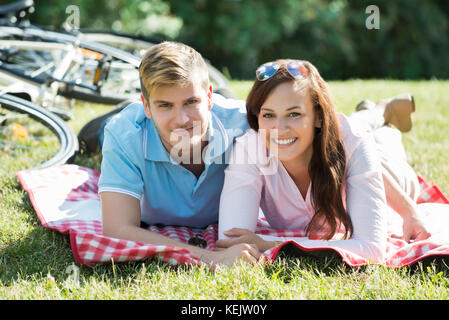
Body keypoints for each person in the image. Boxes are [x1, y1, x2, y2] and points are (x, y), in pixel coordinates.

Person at [216, 59, 431, 263]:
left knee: (371, 136)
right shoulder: (250, 147)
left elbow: (371, 251)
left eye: (293, 114)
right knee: (353, 128)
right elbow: (232, 243)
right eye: (269, 115)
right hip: (339, 137)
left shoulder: (353, 141)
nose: (279, 129)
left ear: (319, 116)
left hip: (385, 161)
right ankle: (373, 110)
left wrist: (409, 211)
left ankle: (381, 112)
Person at [98, 41, 261, 267]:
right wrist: (211, 258)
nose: (182, 119)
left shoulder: (246, 125)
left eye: (191, 102)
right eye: (165, 105)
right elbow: (117, 228)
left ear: (209, 97)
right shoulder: (123, 134)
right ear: (146, 106)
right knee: (102, 134)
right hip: (122, 128)